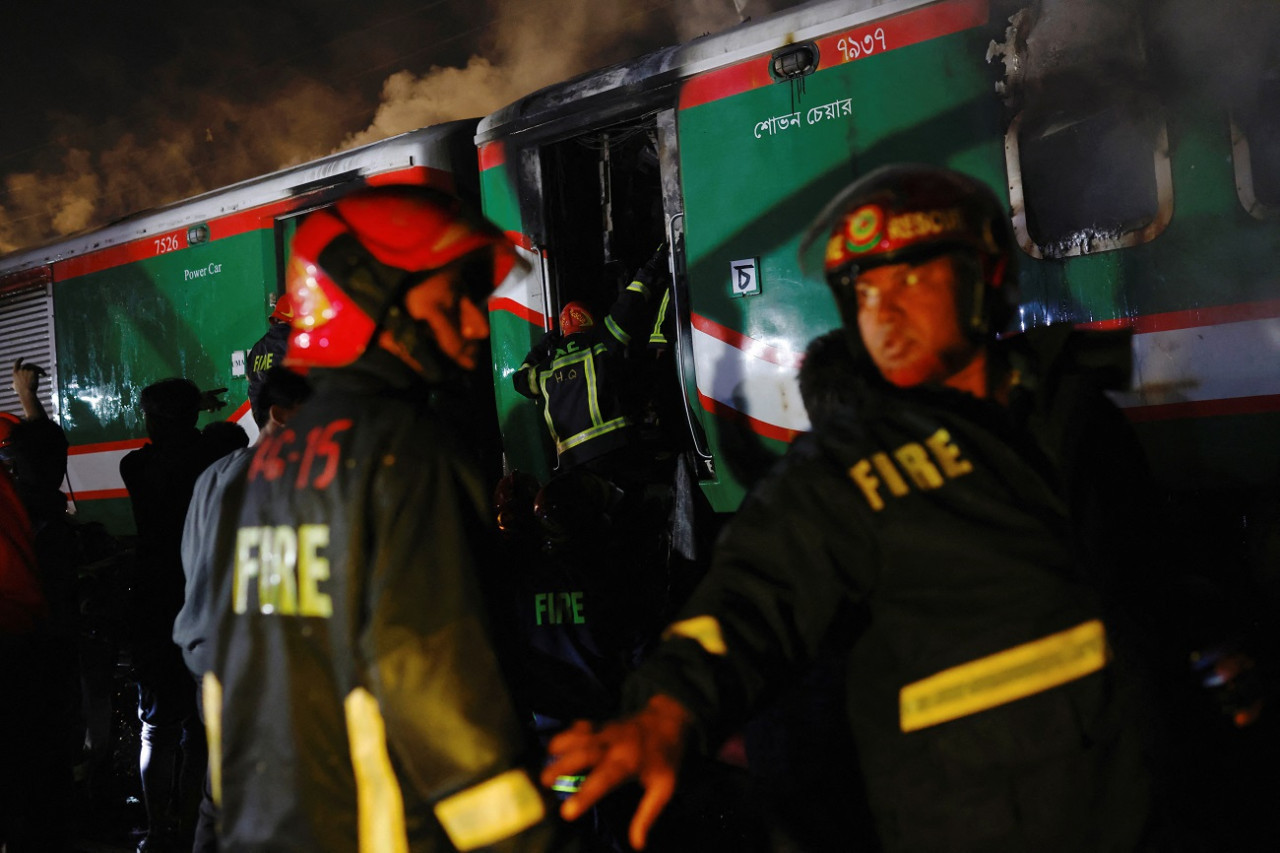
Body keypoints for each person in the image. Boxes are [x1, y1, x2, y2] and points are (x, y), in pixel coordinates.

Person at [541, 165, 1168, 852]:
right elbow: (751, 598)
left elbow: (1137, 578)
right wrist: (665, 711)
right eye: (864, 289)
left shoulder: (1071, 413)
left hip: (1147, 800)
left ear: (983, 273)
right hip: (980, 817)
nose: (883, 312)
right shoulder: (847, 469)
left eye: (909, 278)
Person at [199, 185, 571, 851]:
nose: (478, 323)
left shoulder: (259, 471)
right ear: (371, 295)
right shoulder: (404, 449)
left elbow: (232, 678)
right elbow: (435, 686)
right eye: (453, 294)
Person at [175, 365, 312, 853]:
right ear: (280, 414)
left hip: (210, 668)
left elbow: (195, 571)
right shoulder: (289, 482)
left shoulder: (212, 478)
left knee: (219, 805)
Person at [121, 377, 223, 852]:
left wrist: (187, 411)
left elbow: (166, 443)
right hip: (201, 598)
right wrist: (196, 412)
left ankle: (156, 826)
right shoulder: (211, 458)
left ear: (152, 420)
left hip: (153, 602)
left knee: (156, 727)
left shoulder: (135, 466)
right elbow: (219, 438)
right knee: (199, 728)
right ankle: (189, 824)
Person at [514, 244, 668, 478]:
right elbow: (628, 306)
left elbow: (520, 380)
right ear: (589, 323)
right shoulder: (598, 343)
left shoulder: (546, 369)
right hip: (613, 450)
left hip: (572, 464)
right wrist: (649, 270)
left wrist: (542, 346)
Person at [245, 293, 294, 430]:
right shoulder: (296, 344)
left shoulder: (257, 348)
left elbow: (250, 380)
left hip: (265, 428)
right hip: (291, 429)